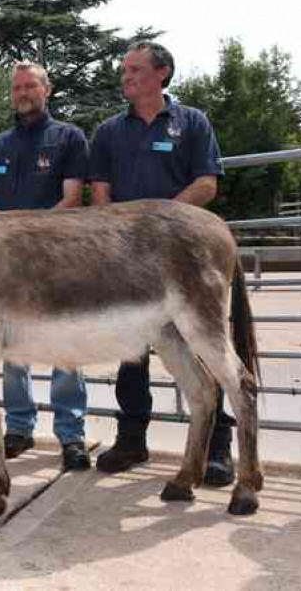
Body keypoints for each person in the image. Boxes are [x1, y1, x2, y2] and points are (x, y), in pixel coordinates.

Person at [90, 41, 234, 484]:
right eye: (124, 71)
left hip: (181, 255)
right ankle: (132, 439)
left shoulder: (192, 122)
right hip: (124, 256)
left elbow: (206, 183)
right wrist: (126, 233)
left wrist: (163, 224)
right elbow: (100, 191)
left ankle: (217, 449)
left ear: (162, 73)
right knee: (130, 352)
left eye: (134, 69)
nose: (126, 77)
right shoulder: (110, 131)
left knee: (202, 346)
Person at [0, 62, 91, 471]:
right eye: (17, 87)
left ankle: (71, 434)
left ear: (47, 89)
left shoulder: (69, 138)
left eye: (30, 85)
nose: (22, 92)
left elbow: (73, 200)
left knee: (65, 347)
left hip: (57, 261)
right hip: (6, 266)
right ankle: (20, 427)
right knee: (12, 350)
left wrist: (25, 236)